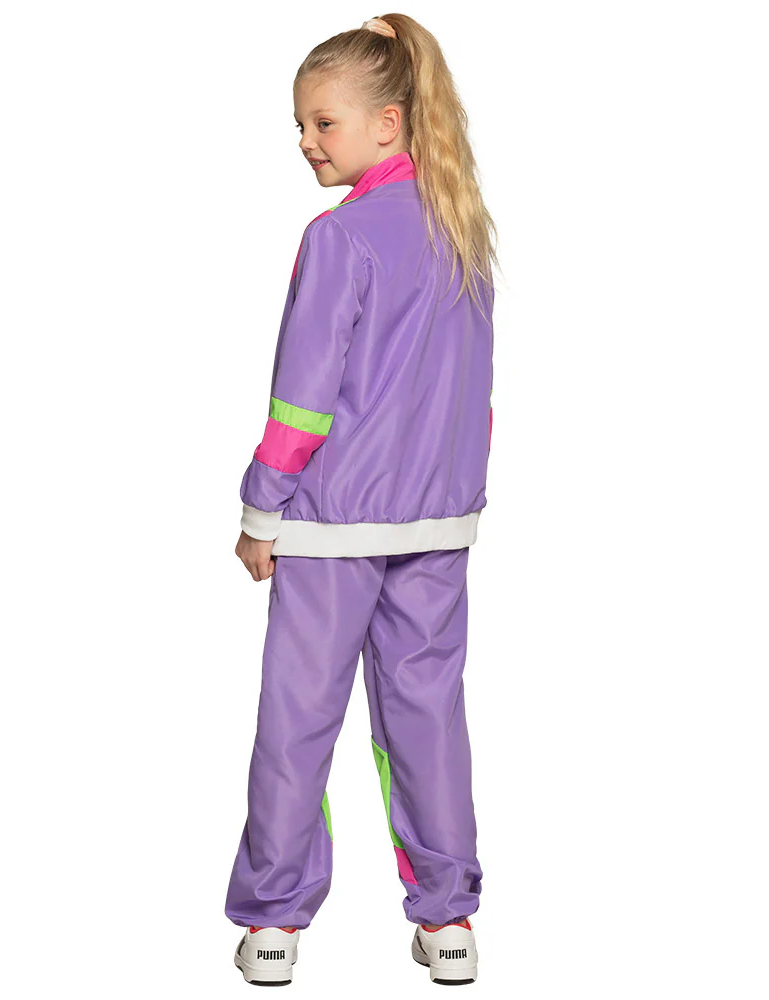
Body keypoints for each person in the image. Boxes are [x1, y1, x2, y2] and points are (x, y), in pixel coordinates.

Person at [226, 13, 500, 986]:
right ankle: (449, 919)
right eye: (300, 126)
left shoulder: (339, 238)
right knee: (427, 720)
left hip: (332, 525)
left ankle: (273, 924)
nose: (307, 141)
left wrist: (261, 511)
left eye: (323, 123)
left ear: (388, 123)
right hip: (438, 523)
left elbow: (301, 397)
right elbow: (474, 393)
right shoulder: (462, 227)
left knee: (297, 722)